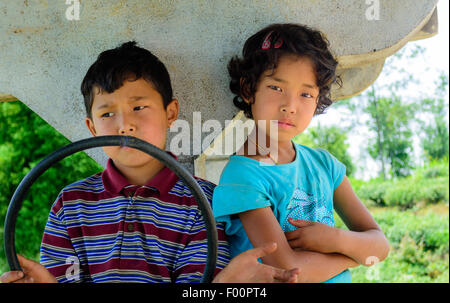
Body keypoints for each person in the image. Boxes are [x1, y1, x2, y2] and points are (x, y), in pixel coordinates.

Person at [0, 41, 299, 283]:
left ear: (170, 114)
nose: (124, 125)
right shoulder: (70, 204)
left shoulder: (205, 202)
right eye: (107, 114)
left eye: (138, 107)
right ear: (92, 129)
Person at [212, 23, 390, 283]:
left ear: (318, 100)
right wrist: (355, 254)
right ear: (249, 89)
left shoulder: (325, 165)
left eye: (306, 93)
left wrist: (335, 239)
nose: (290, 106)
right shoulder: (243, 177)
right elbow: (290, 272)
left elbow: (381, 245)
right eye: (276, 88)